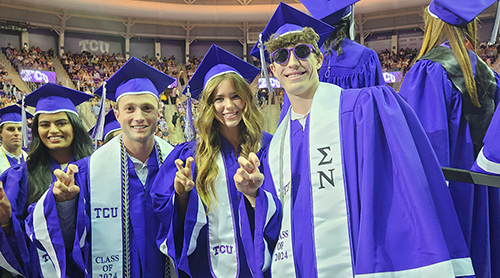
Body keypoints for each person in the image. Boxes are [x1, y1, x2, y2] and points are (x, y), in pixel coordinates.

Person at [246, 3, 474, 277]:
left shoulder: (365, 109)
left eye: (302, 51)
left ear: (319, 59)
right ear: (272, 68)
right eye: (282, 56)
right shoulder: (275, 148)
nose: (292, 63)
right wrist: (252, 195)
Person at [25, 57, 176, 277]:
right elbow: (67, 238)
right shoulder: (88, 172)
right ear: (117, 114)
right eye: (129, 109)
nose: (138, 117)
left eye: (147, 108)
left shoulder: (177, 165)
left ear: (159, 113)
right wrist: (63, 204)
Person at [151, 44, 281, 278]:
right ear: (209, 105)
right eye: (218, 99)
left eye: (235, 96)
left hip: (264, 265)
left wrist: (255, 197)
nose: (228, 106)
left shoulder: (270, 148)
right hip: (207, 266)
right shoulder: (189, 155)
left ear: (246, 99)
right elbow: (163, 210)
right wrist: (181, 196)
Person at [399, 1, 500, 276]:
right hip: (486, 190)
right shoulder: (490, 74)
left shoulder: (428, 71)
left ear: (433, 24)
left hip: (450, 192)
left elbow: (421, 146)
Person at [0, 83, 94, 277]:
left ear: (74, 126)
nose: (53, 130)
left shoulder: (96, 168)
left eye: (61, 123)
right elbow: (16, 239)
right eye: (44, 124)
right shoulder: (21, 176)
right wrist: (6, 223)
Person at [0, 105, 33, 175]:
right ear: (1, 132)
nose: (16, 133)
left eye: (20, 129)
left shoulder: (31, 160)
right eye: (10, 129)